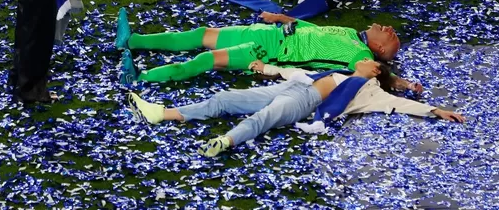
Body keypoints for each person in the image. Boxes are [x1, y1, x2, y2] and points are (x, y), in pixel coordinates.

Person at [127, 59, 465, 157]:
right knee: (225, 98)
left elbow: (399, 103)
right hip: (294, 86)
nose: (361, 59)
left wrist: (436, 110)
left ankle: (225, 142)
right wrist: (268, 70)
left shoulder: (370, 90)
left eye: (367, 60)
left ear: (375, 69)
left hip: (306, 102)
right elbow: (297, 73)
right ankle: (161, 113)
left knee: (264, 118)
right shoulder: (341, 73)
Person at [116, 7, 402, 84]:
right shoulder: (351, 32)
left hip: (270, 52)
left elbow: (375, 73)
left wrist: (401, 84)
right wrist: (281, 18)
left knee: (207, 58)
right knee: (203, 33)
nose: (389, 29)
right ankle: (133, 41)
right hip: (270, 32)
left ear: (379, 50)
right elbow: (312, 29)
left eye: (391, 37)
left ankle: (141, 77)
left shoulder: (360, 55)